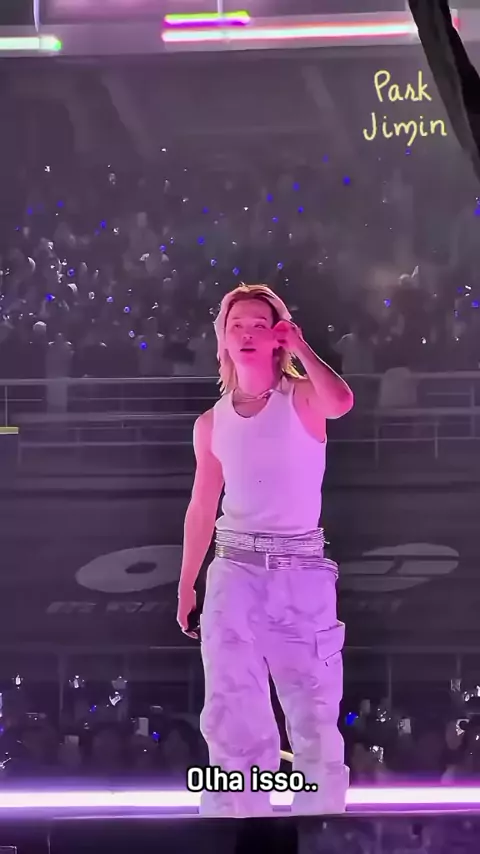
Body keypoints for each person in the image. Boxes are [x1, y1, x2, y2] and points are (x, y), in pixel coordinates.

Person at [177, 284, 354, 818]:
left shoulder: (302, 398)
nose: (248, 334)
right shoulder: (211, 423)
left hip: (301, 568)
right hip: (234, 567)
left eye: (260, 324)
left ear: (277, 335)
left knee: (314, 716)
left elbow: (341, 402)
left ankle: (320, 832)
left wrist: (299, 345)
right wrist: (187, 583)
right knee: (231, 714)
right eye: (237, 325)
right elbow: (202, 505)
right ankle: (235, 829)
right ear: (223, 340)